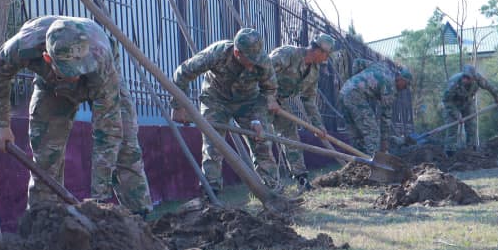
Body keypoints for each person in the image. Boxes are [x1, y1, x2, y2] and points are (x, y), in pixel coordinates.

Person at [0, 16, 153, 215]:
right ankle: (45, 223)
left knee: (125, 147)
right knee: (46, 156)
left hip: (101, 80)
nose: (76, 76)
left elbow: (108, 132)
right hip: (51, 87)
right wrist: (1, 123)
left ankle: (139, 223)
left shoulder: (100, 59)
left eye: (79, 69)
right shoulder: (22, 46)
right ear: (47, 57)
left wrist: (98, 201)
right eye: (70, 71)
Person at [171, 28, 282, 196]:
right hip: (216, 100)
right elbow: (182, 73)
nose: (253, 64)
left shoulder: (263, 61)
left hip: (248, 102)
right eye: (249, 60)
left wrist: (258, 120)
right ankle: (212, 192)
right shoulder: (217, 53)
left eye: (256, 59)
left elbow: (269, 91)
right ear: (237, 52)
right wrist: (178, 106)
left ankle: (272, 190)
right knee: (213, 144)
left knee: (262, 142)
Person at [268, 33, 335, 191]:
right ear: (318, 51)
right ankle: (269, 182)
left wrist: (318, 126)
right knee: (261, 137)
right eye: (326, 55)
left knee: (290, 133)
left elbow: (309, 100)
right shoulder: (287, 54)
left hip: (280, 100)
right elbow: (263, 73)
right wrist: (269, 97)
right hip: (260, 95)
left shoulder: (314, 71)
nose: (326, 59)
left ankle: (301, 179)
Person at [340, 61, 410, 156]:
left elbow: (357, 62)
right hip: (355, 95)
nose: (405, 88)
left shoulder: (382, 66)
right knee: (373, 131)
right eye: (406, 84)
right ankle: (375, 162)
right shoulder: (390, 87)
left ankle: (359, 162)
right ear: (401, 79)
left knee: (356, 133)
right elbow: (385, 118)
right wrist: (384, 143)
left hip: (344, 90)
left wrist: (356, 80)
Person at [440, 64, 498, 150]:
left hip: (467, 102)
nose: (465, 80)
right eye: (464, 77)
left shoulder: (478, 79)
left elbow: (489, 87)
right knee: (452, 129)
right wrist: (457, 115)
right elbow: (446, 101)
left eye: (468, 78)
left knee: (471, 126)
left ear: (473, 78)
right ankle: (450, 151)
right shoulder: (453, 83)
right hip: (452, 105)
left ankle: (471, 149)